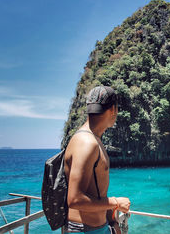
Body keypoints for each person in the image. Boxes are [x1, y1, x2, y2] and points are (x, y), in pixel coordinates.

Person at [63, 86, 131, 234]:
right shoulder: (86, 142)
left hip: (98, 228)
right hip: (84, 230)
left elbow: (96, 190)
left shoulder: (93, 139)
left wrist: (112, 221)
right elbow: (75, 199)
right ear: (113, 109)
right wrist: (116, 202)